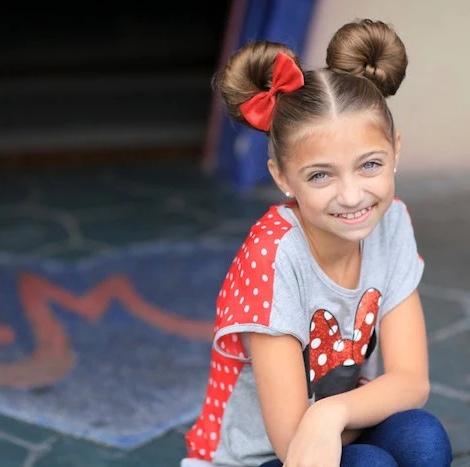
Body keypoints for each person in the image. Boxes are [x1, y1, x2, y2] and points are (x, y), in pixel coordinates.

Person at [181, 18, 453, 467]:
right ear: (282, 177)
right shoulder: (273, 258)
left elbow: (411, 381)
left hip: (336, 428)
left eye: (369, 164)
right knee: (372, 465)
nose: (351, 195)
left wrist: (333, 411)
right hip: (262, 457)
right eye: (320, 175)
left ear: (396, 151)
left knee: (422, 438)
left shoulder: (393, 223)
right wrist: (332, 421)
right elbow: (294, 444)